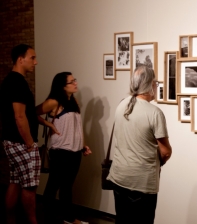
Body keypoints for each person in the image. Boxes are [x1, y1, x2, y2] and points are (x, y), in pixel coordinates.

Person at [107, 65, 172, 224]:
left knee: (122, 220)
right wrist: (160, 160)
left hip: (119, 176)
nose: (156, 86)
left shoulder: (122, 104)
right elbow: (165, 151)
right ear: (150, 84)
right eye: (156, 82)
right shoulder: (154, 113)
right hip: (142, 182)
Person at [36, 72, 92, 224]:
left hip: (75, 151)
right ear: (62, 86)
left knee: (67, 186)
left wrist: (83, 145)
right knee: (53, 185)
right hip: (60, 151)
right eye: (71, 81)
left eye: (75, 80)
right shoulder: (53, 102)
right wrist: (48, 124)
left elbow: (77, 127)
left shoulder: (73, 101)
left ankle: (69, 218)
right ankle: (48, 217)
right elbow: (32, 113)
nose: (75, 83)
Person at [0, 44, 39, 224]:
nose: (35, 62)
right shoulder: (17, 82)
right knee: (30, 185)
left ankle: (10, 220)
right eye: (32, 58)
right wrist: (30, 143)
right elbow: (20, 116)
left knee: (15, 182)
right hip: (21, 142)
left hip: (11, 140)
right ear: (20, 59)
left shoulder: (11, 80)